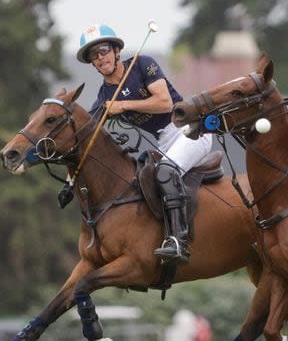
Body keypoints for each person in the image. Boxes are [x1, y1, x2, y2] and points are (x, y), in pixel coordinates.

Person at [77, 23, 213, 264]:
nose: (100, 57)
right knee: (141, 180)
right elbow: (88, 130)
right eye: (93, 55)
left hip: (189, 130)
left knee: (165, 172)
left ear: (116, 51)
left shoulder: (142, 64)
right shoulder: (104, 95)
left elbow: (164, 103)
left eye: (104, 50)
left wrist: (124, 105)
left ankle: (179, 242)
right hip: (164, 141)